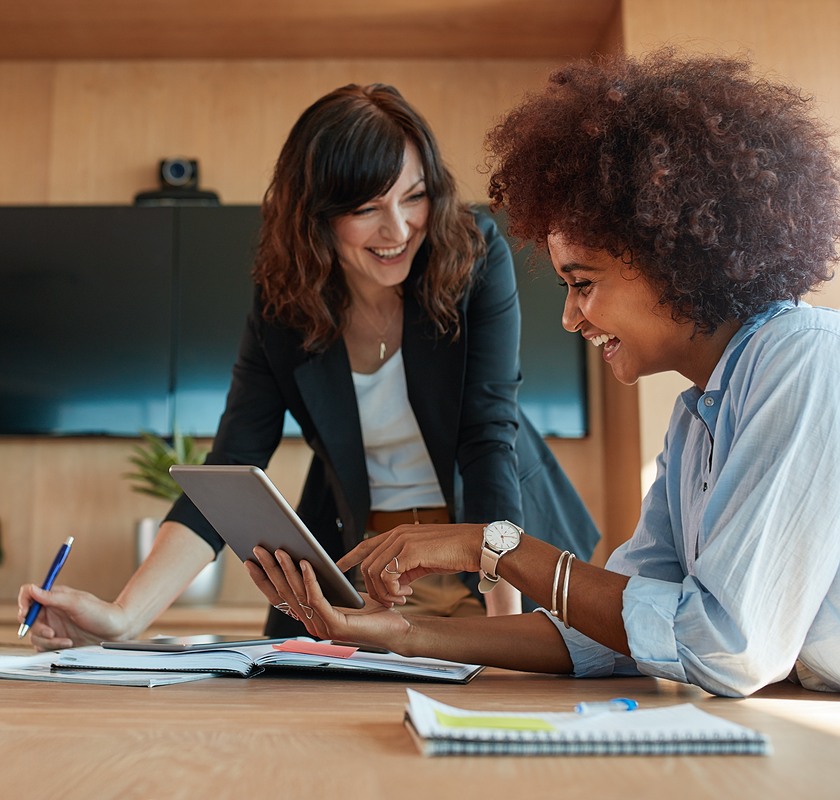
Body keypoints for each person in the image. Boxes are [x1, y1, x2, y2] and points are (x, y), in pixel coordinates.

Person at [246, 51, 840, 698]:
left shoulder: (804, 360)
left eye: (582, 283)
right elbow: (614, 636)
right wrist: (398, 635)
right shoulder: (695, 419)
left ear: (673, 258)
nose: (569, 317)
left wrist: (493, 546)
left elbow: (723, 646)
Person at [18, 83, 598, 650]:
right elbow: (231, 467)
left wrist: (506, 628)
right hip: (369, 576)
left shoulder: (472, 253)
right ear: (316, 215)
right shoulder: (285, 303)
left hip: (495, 562)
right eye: (368, 208)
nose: (398, 230)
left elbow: (486, 435)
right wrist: (122, 618)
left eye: (414, 196)